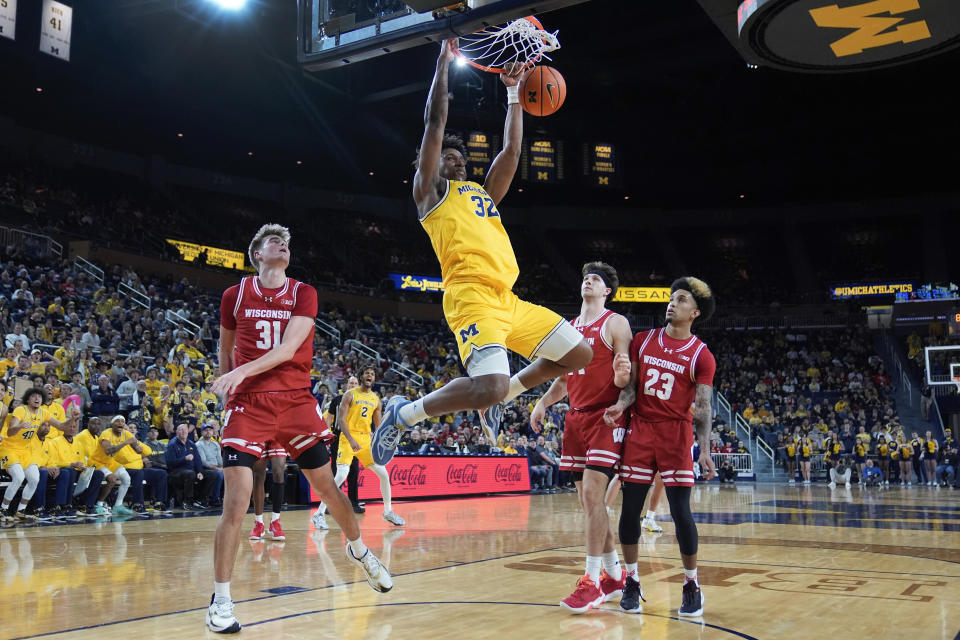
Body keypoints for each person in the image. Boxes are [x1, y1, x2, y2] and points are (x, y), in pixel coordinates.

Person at [371, 39, 592, 465]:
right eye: (450, 158)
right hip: (471, 296)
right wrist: (442, 64)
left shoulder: (481, 193)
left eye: (462, 158)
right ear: (430, 164)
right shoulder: (430, 193)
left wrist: (513, 93)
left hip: (507, 298)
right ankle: (404, 415)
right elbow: (435, 123)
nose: (460, 162)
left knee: (578, 353)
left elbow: (511, 152)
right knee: (487, 385)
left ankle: (503, 395)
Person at [208, 224, 392, 634]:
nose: (283, 246)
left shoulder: (303, 293)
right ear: (257, 253)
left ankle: (359, 551)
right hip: (249, 406)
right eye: (275, 241)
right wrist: (229, 387)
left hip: (294, 401)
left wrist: (238, 374)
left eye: (287, 243)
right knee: (236, 500)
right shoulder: (233, 295)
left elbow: (288, 349)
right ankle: (220, 600)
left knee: (327, 487)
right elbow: (224, 345)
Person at [604, 277, 717, 618]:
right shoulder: (643, 340)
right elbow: (631, 389)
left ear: (694, 312)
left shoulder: (701, 355)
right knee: (630, 510)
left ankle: (691, 584)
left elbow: (704, 406)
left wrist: (706, 448)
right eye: (672, 298)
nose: (672, 303)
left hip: (675, 434)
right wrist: (621, 406)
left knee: (681, 512)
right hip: (640, 430)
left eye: (681, 300)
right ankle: (632, 582)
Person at [529, 262, 632, 613]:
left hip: (606, 417)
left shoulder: (616, 323)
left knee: (592, 497)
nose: (589, 280)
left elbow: (627, 376)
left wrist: (620, 392)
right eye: (586, 276)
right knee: (590, 506)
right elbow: (562, 378)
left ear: (607, 291)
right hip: (575, 419)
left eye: (598, 279)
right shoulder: (569, 329)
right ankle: (615, 575)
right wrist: (542, 403)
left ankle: (590, 581)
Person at [315, 367, 405, 528]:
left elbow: (378, 426)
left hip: (365, 440)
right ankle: (318, 514)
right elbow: (341, 421)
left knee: (383, 474)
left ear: (374, 379)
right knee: (341, 475)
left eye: (372, 374)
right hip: (347, 437)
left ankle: (388, 512)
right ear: (361, 376)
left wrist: (385, 443)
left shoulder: (376, 399)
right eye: (366, 373)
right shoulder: (350, 395)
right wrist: (350, 439)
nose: (369, 375)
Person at [1, 387, 78, 520]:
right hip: (9, 449)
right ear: (28, 399)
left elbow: (61, 426)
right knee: (18, 477)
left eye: (39, 396)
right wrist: (20, 426)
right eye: (33, 396)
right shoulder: (21, 410)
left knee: (34, 478)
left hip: (25, 451)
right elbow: (10, 432)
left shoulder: (43, 413)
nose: (37, 399)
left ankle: (21, 510)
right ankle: (3, 509)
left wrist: (73, 419)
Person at [249, 441, 289, 541]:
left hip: (276, 432)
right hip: (259, 432)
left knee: (279, 472)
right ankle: (259, 524)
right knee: (258, 476)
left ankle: (275, 521)